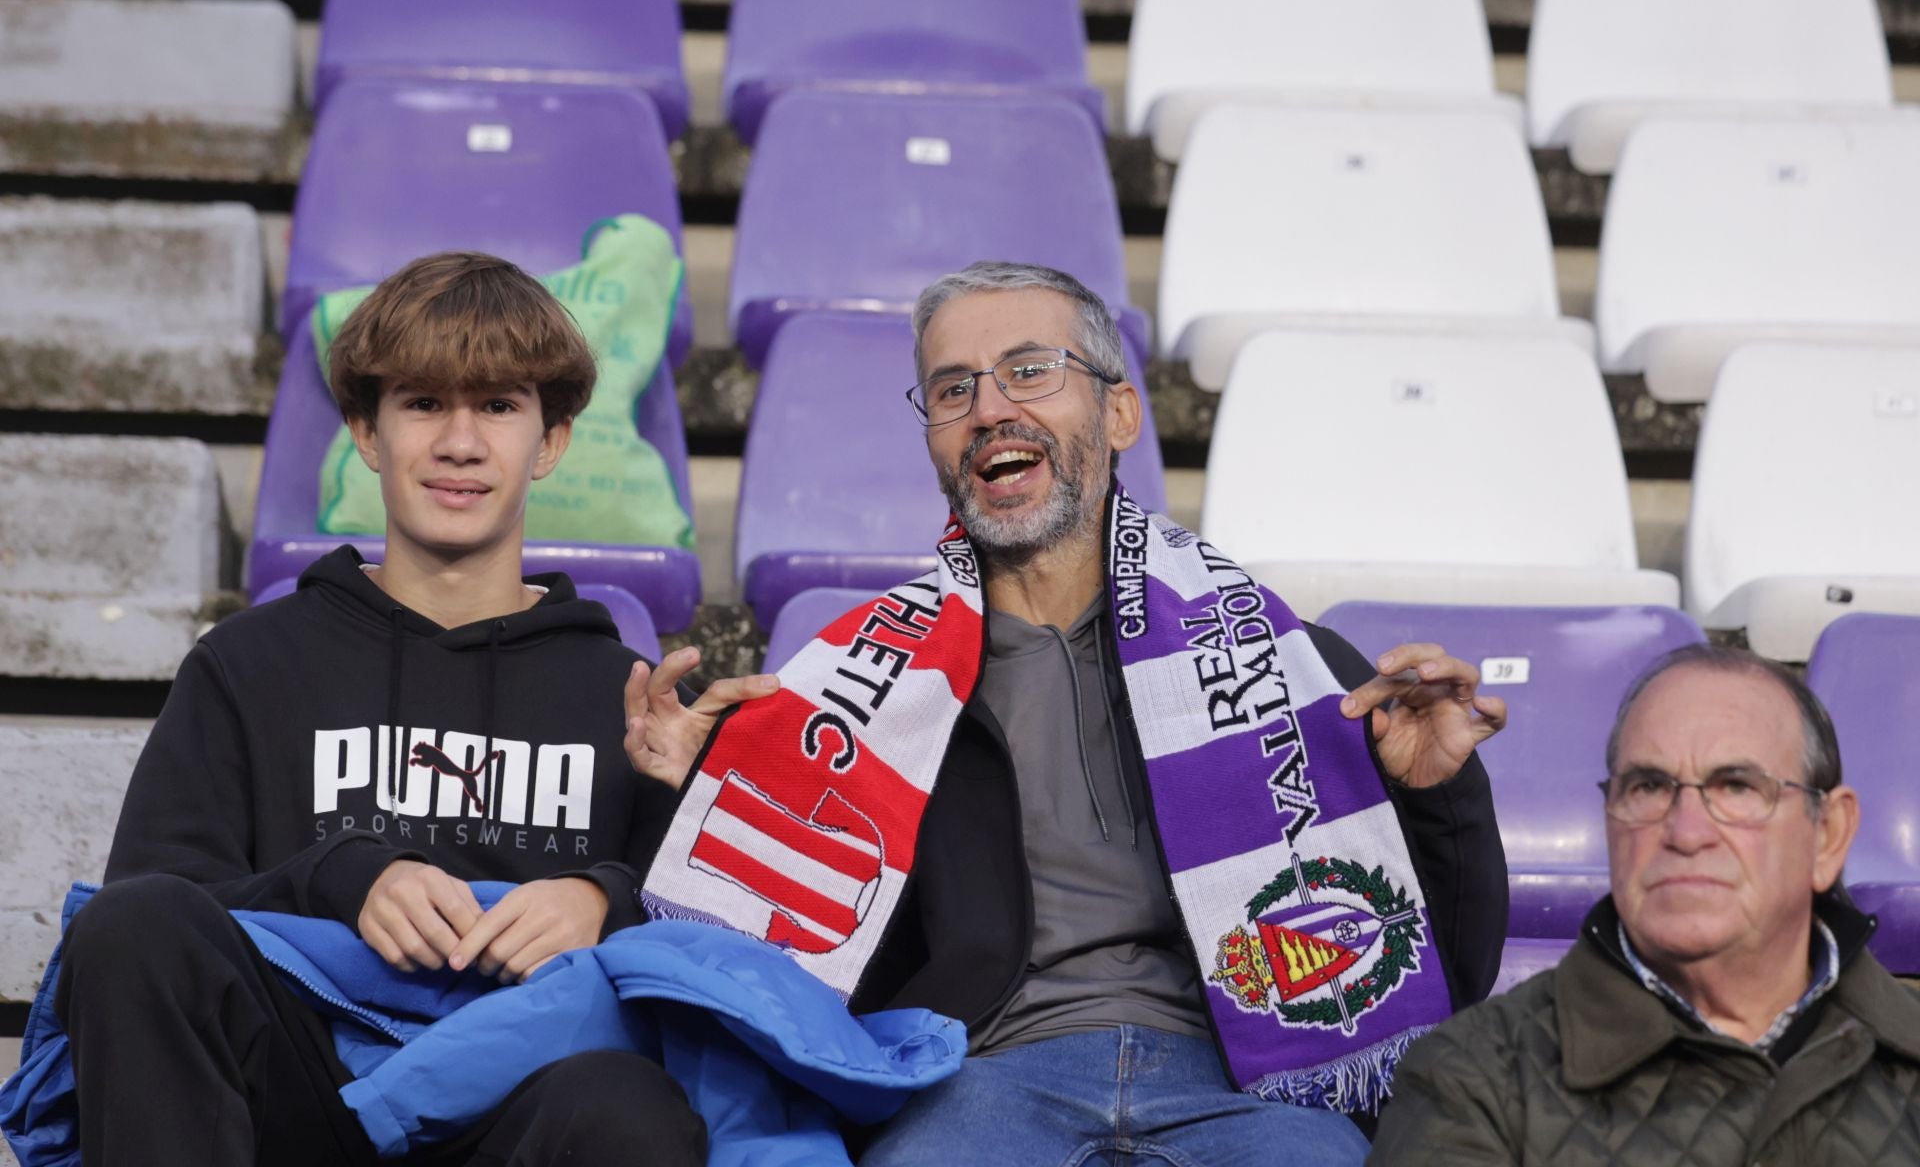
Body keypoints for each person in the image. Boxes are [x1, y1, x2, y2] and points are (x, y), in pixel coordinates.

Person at [626, 262, 1511, 1165]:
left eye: (1029, 371)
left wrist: (1440, 796)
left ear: (1119, 413)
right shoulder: (859, 689)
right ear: (933, 440)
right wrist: (707, 791)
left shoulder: (1286, 665)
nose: (989, 409)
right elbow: (819, 974)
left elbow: (1440, 976)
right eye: (953, 389)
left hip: (1245, 1088)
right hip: (981, 1079)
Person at [55, 252, 768, 1167]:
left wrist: (610, 897)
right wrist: (339, 879)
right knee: (132, 928)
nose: (460, 443)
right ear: (366, 429)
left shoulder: (628, 701)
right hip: (296, 1101)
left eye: (500, 406)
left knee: (627, 1103)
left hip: (519, 1107)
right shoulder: (248, 663)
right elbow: (153, 921)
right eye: (424, 403)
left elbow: (736, 969)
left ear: (550, 440)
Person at [1370, 643, 1920, 1165]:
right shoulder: (1470, 1082)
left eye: (1736, 787)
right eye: (1649, 787)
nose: (1686, 831)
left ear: (1828, 835)